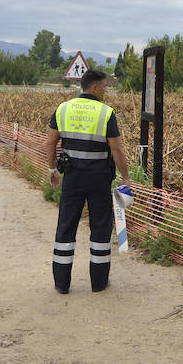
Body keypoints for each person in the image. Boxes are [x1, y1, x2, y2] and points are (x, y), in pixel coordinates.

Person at [41, 69, 131, 294]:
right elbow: (116, 148)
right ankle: (99, 283)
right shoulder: (106, 113)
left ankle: (62, 284)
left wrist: (52, 169)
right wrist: (126, 176)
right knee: (100, 229)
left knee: (66, 227)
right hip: (99, 179)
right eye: (104, 87)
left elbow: (50, 142)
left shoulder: (63, 109)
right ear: (94, 88)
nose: (106, 90)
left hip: (72, 178)